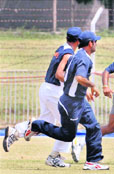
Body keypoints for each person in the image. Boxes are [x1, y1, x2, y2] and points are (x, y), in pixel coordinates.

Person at [22, 31, 109, 170]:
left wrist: (84, 91)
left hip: (79, 101)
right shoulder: (83, 59)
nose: (96, 44)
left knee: (94, 126)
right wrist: (92, 86)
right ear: (90, 43)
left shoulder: (79, 54)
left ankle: (92, 161)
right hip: (71, 104)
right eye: (95, 42)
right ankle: (36, 125)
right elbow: (80, 78)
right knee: (67, 136)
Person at [3, 27, 82, 167]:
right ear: (78, 41)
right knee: (68, 126)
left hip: (47, 88)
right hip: (54, 91)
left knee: (44, 122)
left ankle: (16, 131)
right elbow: (59, 74)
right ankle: (55, 156)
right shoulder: (69, 54)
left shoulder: (62, 48)